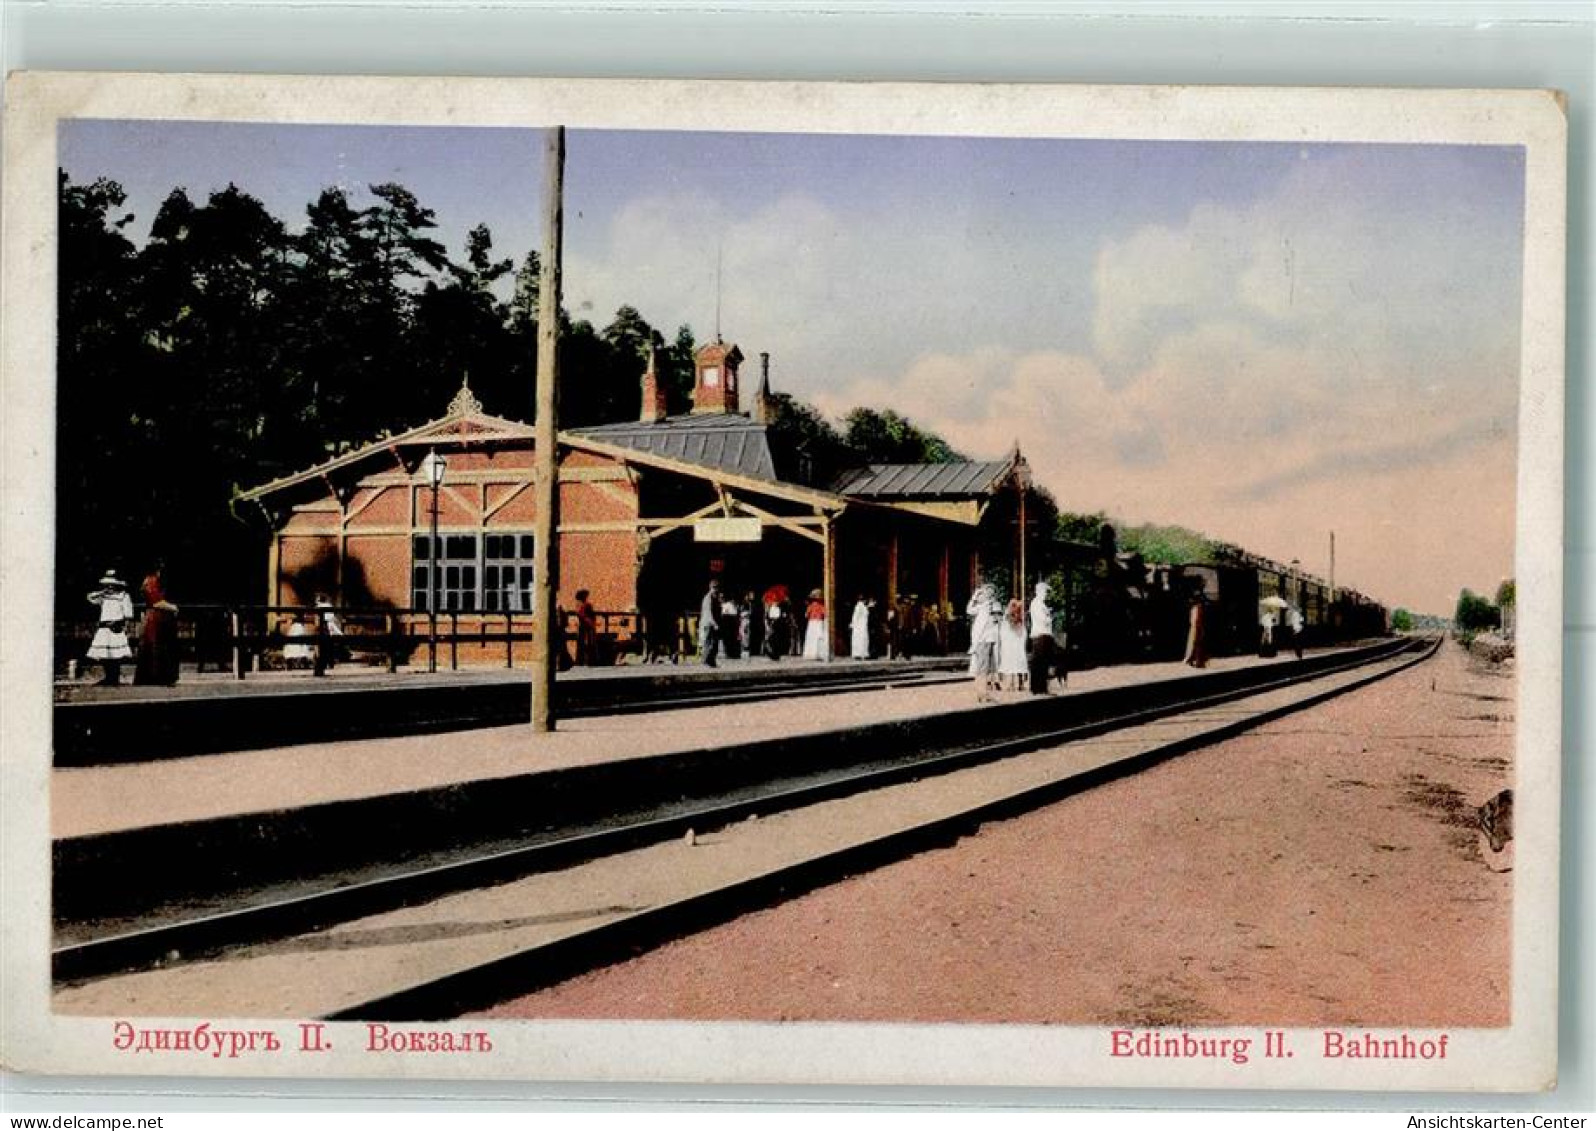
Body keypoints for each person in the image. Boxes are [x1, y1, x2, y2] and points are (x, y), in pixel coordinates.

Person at [86, 570, 134, 686]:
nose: (110, 586)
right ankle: (108, 677)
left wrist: (123, 623)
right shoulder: (104, 597)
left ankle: (114, 678)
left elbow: (128, 613)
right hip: (104, 627)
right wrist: (102, 592)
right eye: (108, 584)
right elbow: (90, 598)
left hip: (115, 626)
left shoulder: (123, 596)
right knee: (104, 654)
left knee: (115, 654)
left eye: (113, 584)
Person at [134, 569, 181, 686]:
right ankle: (157, 677)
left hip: (156, 617)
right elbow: (156, 601)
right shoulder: (151, 581)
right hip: (155, 617)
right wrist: (173, 607)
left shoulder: (150, 580)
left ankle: (156, 676)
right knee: (156, 646)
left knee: (156, 646)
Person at [965, 583, 1001, 703]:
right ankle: (981, 692)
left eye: (991, 593)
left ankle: (984, 692)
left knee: (988, 668)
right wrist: (975, 597)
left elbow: (997, 620)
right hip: (982, 639)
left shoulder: (995, 606)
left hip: (991, 639)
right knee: (982, 668)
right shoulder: (982, 606)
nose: (989, 595)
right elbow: (969, 610)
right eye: (987, 592)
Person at [1027, 580, 1057, 696]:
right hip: (1040, 634)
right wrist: (1050, 617)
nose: (1046, 594)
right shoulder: (1037, 604)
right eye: (1045, 591)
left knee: (1043, 662)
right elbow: (1042, 620)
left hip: (1045, 634)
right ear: (1039, 591)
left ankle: (1042, 687)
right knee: (1039, 662)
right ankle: (1037, 688)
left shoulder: (1041, 604)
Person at [998, 597, 1028, 691]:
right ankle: (1016, 684)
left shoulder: (1017, 619)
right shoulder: (1010, 618)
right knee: (1015, 664)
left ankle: (1016, 684)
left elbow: (1021, 632)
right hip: (1013, 644)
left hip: (1014, 644)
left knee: (1015, 663)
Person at [313, 594, 344, 677]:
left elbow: (317, 620)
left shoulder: (319, 607)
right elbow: (332, 618)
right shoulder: (329, 606)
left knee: (319, 647)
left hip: (323, 627)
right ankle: (328, 663)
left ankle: (319, 668)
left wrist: (317, 626)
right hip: (329, 627)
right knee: (327, 646)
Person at [699, 578, 722, 667]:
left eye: (717, 587)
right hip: (708, 623)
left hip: (715, 624)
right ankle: (705, 662)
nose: (715, 589)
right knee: (708, 643)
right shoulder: (708, 598)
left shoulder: (716, 598)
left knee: (715, 643)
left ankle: (712, 661)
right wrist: (714, 623)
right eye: (714, 587)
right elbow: (708, 613)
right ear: (710, 587)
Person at [573, 589, 599, 665]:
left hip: (584, 626)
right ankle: (588, 660)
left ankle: (585, 660)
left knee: (584, 643)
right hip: (586, 626)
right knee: (587, 643)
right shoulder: (585, 605)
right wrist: (590, 622)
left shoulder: (580, 605)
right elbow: (583, 615)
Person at [1184, 592, 1208, 668]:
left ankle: (1196, 661)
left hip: (1195, 627)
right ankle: (1194, 660)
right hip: (1196, 627)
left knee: (1195, 644)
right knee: (1196, 645)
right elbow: (1196, 619)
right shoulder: (1197, 607)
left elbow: (1194, 619)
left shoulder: (1195, 608)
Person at [802, 589, 828, 660]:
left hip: (811, 622)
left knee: (811, 637)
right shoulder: (821, 606)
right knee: (818, 637)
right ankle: (818, 653)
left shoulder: (810, 606)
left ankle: (810, 653)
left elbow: (806, 615)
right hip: (819, 622)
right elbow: (825, 614)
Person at [850, 594, 871, 660]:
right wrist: (853, 624)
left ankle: (862, 653)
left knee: (862, 639)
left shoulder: (863, 606)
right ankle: (859, 653)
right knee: (860, 639)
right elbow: (855, 616)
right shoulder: (859, 606)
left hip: (862, 625)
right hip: (859, 626)